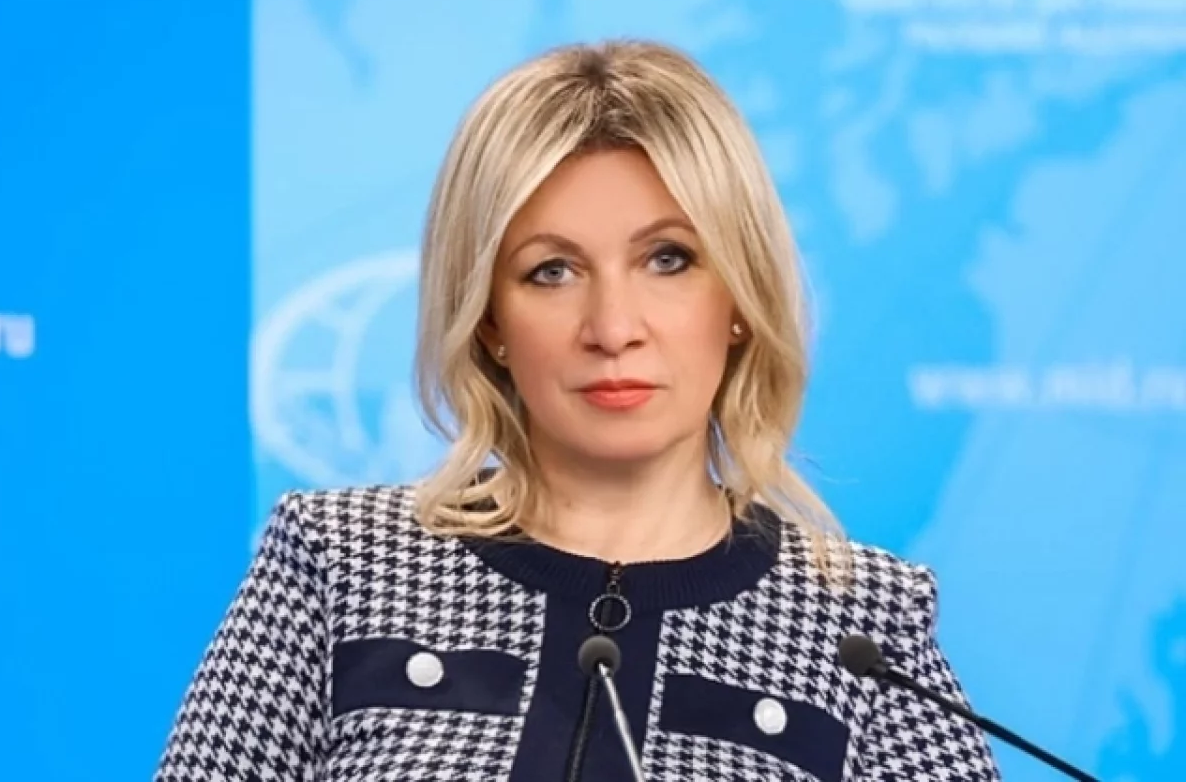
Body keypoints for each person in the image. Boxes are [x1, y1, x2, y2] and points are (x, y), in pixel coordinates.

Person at [154, 40, 1001, 781]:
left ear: (740, 298)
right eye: (551, 271)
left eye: (668, 259)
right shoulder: (339, 564)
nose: (613, 327)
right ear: (489, 320)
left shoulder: (863, 623)